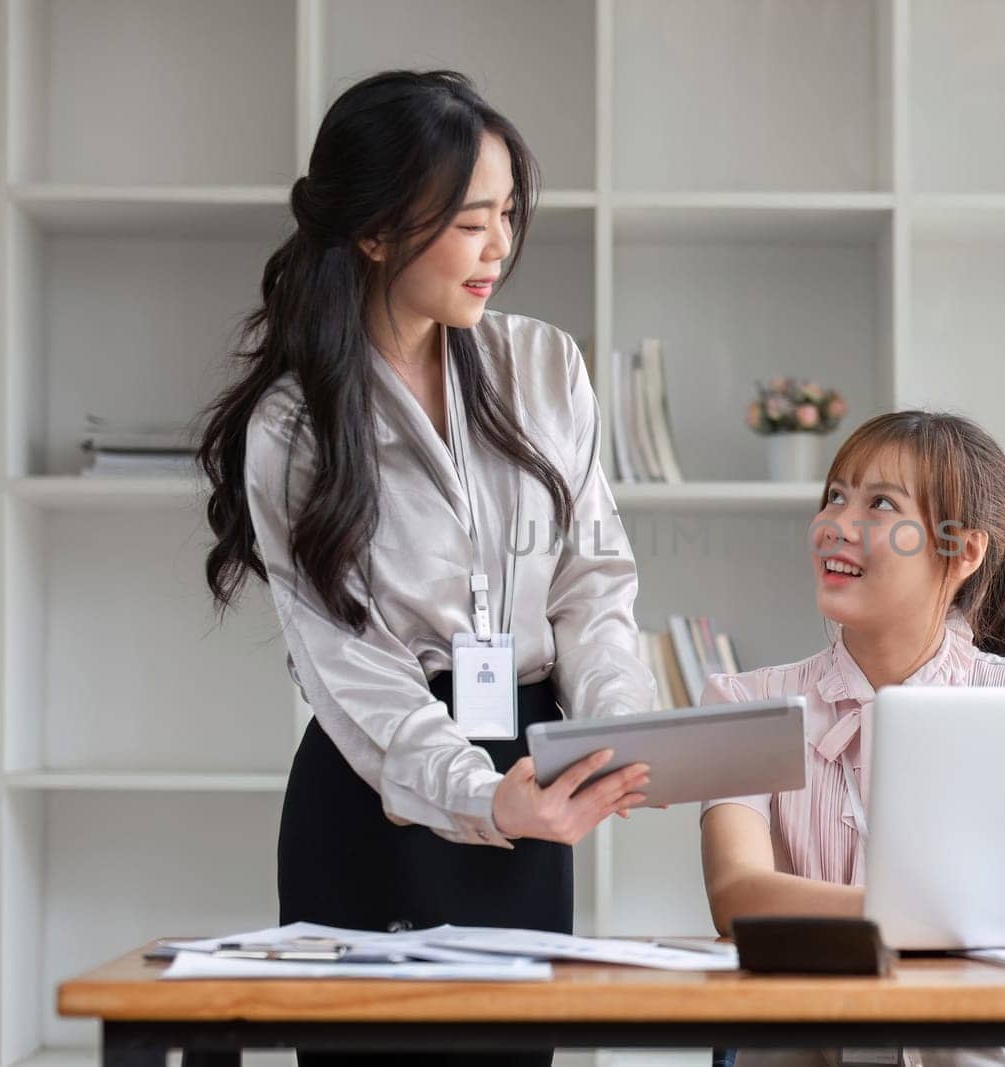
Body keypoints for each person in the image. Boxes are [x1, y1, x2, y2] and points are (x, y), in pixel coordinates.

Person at [198, 70, 654, 1066]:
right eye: (469, 221)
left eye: (507, 215)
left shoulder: (543, 367)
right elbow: (348, 670)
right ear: (375, 232)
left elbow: (595, 584)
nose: (501, 247)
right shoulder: (293, 426)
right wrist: (480, 796)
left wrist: (615, 733)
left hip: (528, 769)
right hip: (373, 793)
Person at [699, 410, 1005, 1067]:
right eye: (835, 496)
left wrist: (849, 915)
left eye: (880, 503)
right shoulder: (745, 703)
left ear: (962, 551)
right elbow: (739, 896)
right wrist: (943, 918)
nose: (835, 526)